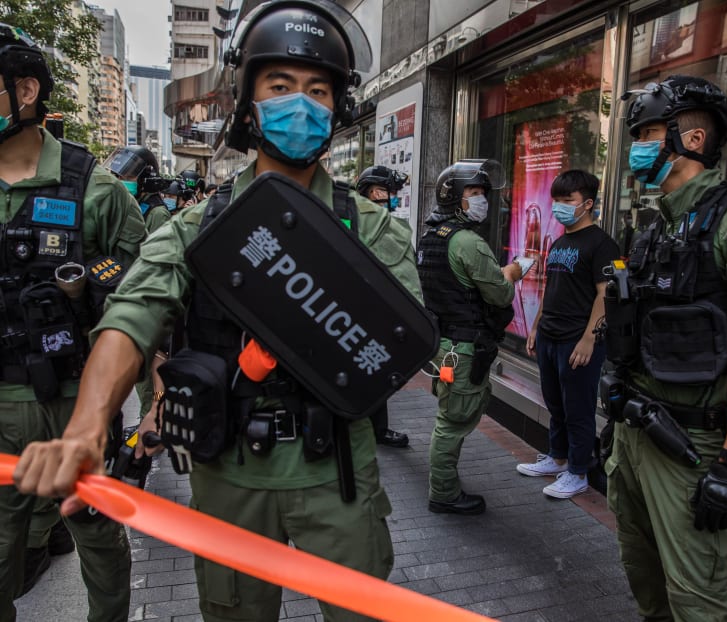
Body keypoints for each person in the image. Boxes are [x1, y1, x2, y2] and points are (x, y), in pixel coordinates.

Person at [13, 2, 421, 621]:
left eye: (317, 90)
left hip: (335, 470)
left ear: (337, 105)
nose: (300, 104)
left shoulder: (368, 226)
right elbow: (132, 313)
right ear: (247, 101)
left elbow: (403, 338)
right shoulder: (200, 227)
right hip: (228, 471)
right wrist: (87, 425)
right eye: (280, 87)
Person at [603, 75, 727, 621]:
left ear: (690, 141)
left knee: (698, 601)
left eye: (649, 131)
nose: (637, 144)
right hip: (634, 434)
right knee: (643, 574)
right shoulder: (654, 226)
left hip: (693, 448)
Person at [0, 22, 143, 621]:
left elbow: (142, 284)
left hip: (75, 396)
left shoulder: (96, 185)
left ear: (24, 90)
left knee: (98, 537)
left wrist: (89, 287)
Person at [416, 159, 525, 515]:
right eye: (474, 193)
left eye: (483, 193)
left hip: (444, 344)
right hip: (462, 349)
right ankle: (444, 493)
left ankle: (444, 486)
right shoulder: (467, 243)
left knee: (451, 415)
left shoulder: (430, 236)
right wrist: (512, 271)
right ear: (453, 197)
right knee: (452, 423)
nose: (482, 200)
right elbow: (501, 295)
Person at [517, 170, 619, 498]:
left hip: (578, 339)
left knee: (578, 407)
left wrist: (590, 338)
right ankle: (558, 458)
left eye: (568, 200)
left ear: (587, 203)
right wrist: (535, 326)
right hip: (550, 334)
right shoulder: (560, 242)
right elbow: (551, 287)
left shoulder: (604, 245)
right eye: (556, 200)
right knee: (555, 402)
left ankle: (578, 471)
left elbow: (607, 295)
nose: (559, 206)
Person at [355, 164, 410, 448]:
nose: (395, 198)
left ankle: (376, 428)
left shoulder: (378, 220)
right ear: (376, 191)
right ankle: (372, 429)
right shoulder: (361, 220)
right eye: (392, 192)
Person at [105, 144, 169, 233]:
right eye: (118, 176)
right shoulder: (127, 203)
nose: (120, 182)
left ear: (146, 179)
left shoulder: (158, 214)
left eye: (128, 177)